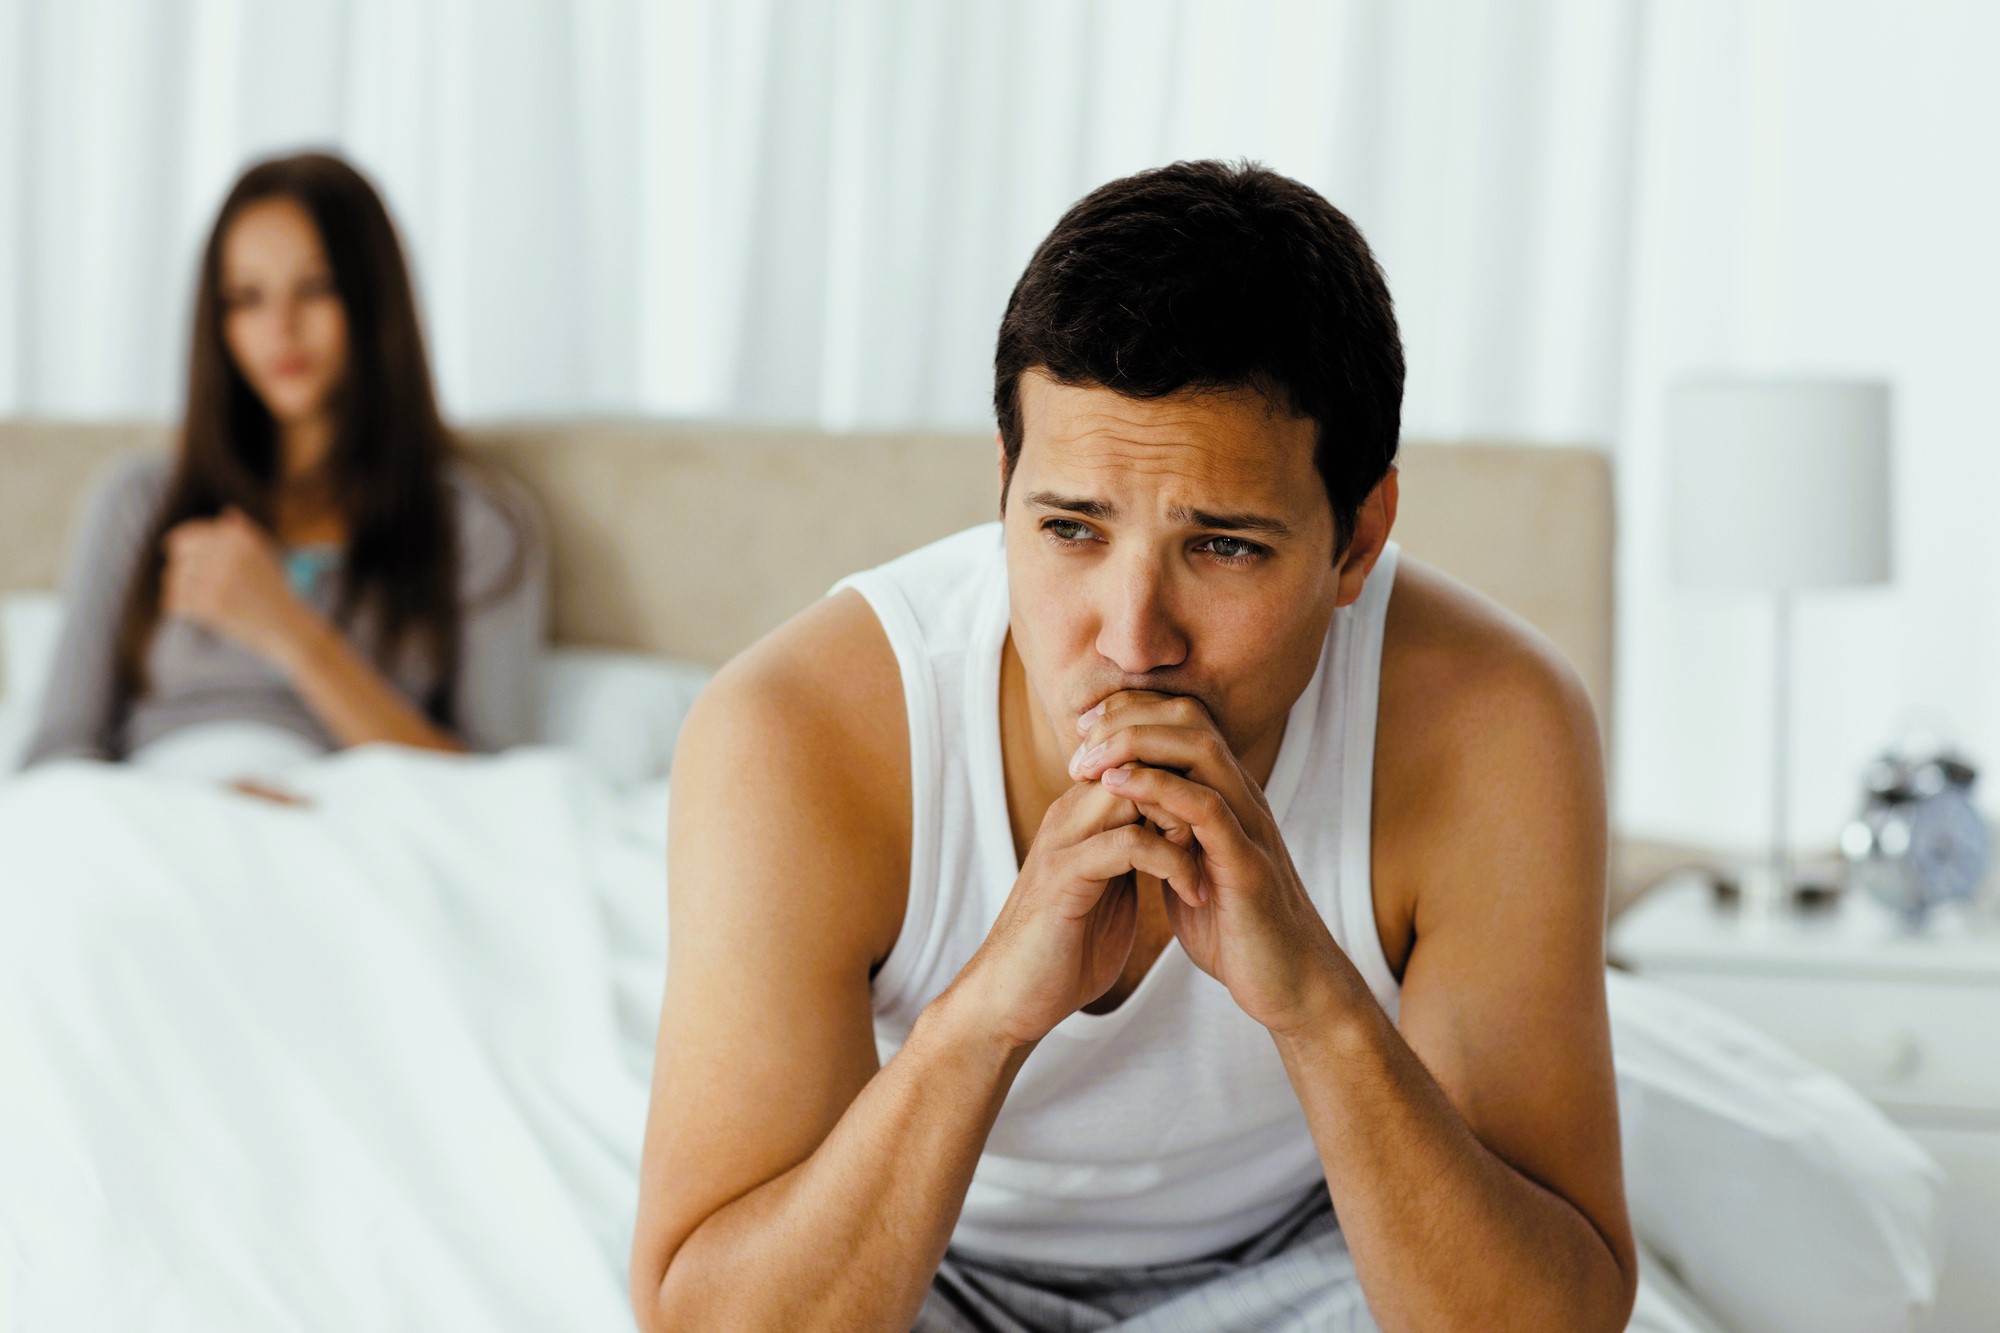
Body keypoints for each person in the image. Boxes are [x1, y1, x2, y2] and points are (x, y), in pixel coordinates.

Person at [631, 161, 1636, 1331]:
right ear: (1002, 487)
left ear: (1357, 538)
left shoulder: (1490, 723)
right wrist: (992, 1006)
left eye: (1222, 548)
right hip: (917, 1258)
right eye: (1067, 528)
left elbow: (1548, 1319)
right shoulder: (793, 732)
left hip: (1318, 1257)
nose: (1129, 637)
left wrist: (1312, 998)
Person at [22, 152, 546, 784]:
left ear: (373, 299)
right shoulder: (139, 500)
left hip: (352, 828)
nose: (281, 328)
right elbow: (55, 759)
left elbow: (497, 799)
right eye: (247, 298)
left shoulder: (479, 525)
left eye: (316, 288)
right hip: (159, 823)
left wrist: (292, 633)